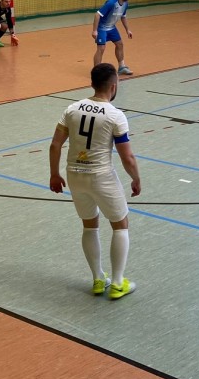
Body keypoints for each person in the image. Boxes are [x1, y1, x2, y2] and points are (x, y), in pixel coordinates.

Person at [48, 63, 141, 300]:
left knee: (89, 225)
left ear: (91, 83)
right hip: (101, 177)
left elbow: (55, 145)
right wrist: (136, 178)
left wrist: (54, 174)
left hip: (74, 175)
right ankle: (118, 283)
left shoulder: (72, 109)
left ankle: (98, 278)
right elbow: (127, 157)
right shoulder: (115, 115)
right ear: (114, 86)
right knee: (120, 224)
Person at [92, 0, 133, 75]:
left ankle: (122, 67)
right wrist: (95, 30)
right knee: (101, 48)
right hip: (102, 28)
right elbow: (97, 15)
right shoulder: (111, 3)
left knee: (120, 44)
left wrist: (127, 30)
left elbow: (123, 17)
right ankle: (96, 72)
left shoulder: (125, 4)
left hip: (112, 27)